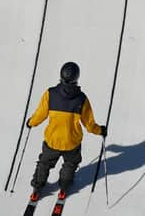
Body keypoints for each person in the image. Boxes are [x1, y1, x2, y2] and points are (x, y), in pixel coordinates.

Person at [26, 61, 107, 198]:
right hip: (72, 143)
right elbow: (89, 124)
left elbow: (40, 114)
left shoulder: (50, 94)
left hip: (52, 140)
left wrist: (31, 122)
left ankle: (37, 187)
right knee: (70, 164)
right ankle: (64, 186)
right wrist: (100, 130)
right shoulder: (81, 99)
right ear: (77, 78)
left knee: (44, 163)